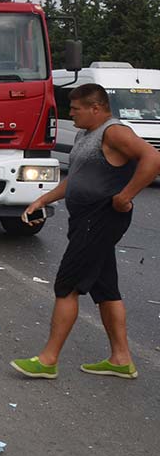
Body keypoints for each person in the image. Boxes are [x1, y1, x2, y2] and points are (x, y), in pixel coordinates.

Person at [11, 83, 160, 380]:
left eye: (77, 109)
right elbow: (77, 179)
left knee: (67, 284)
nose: (72, 114)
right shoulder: (86, 135)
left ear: (96, 108)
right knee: (105, 288)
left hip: (101, 217)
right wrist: (43, 198)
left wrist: (125, 196)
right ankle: (121, 359)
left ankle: (48, 359)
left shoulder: (113, 132)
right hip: (87, 219)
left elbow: (153, 159)